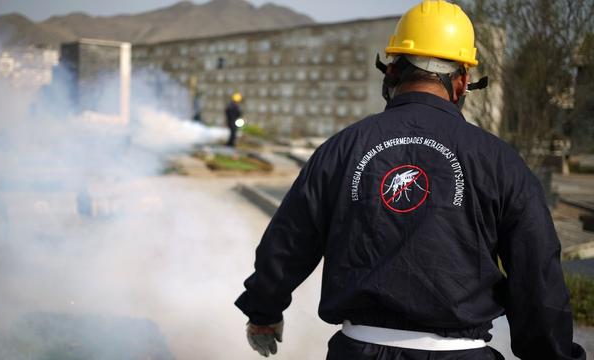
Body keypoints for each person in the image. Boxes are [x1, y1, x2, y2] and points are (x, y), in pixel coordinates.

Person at [235, 1, 586, 359]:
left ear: (391, 70)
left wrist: (263, 312)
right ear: (463, 80)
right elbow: (537, 273)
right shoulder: (500, 161)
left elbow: (289, 241)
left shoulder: (342, 149)